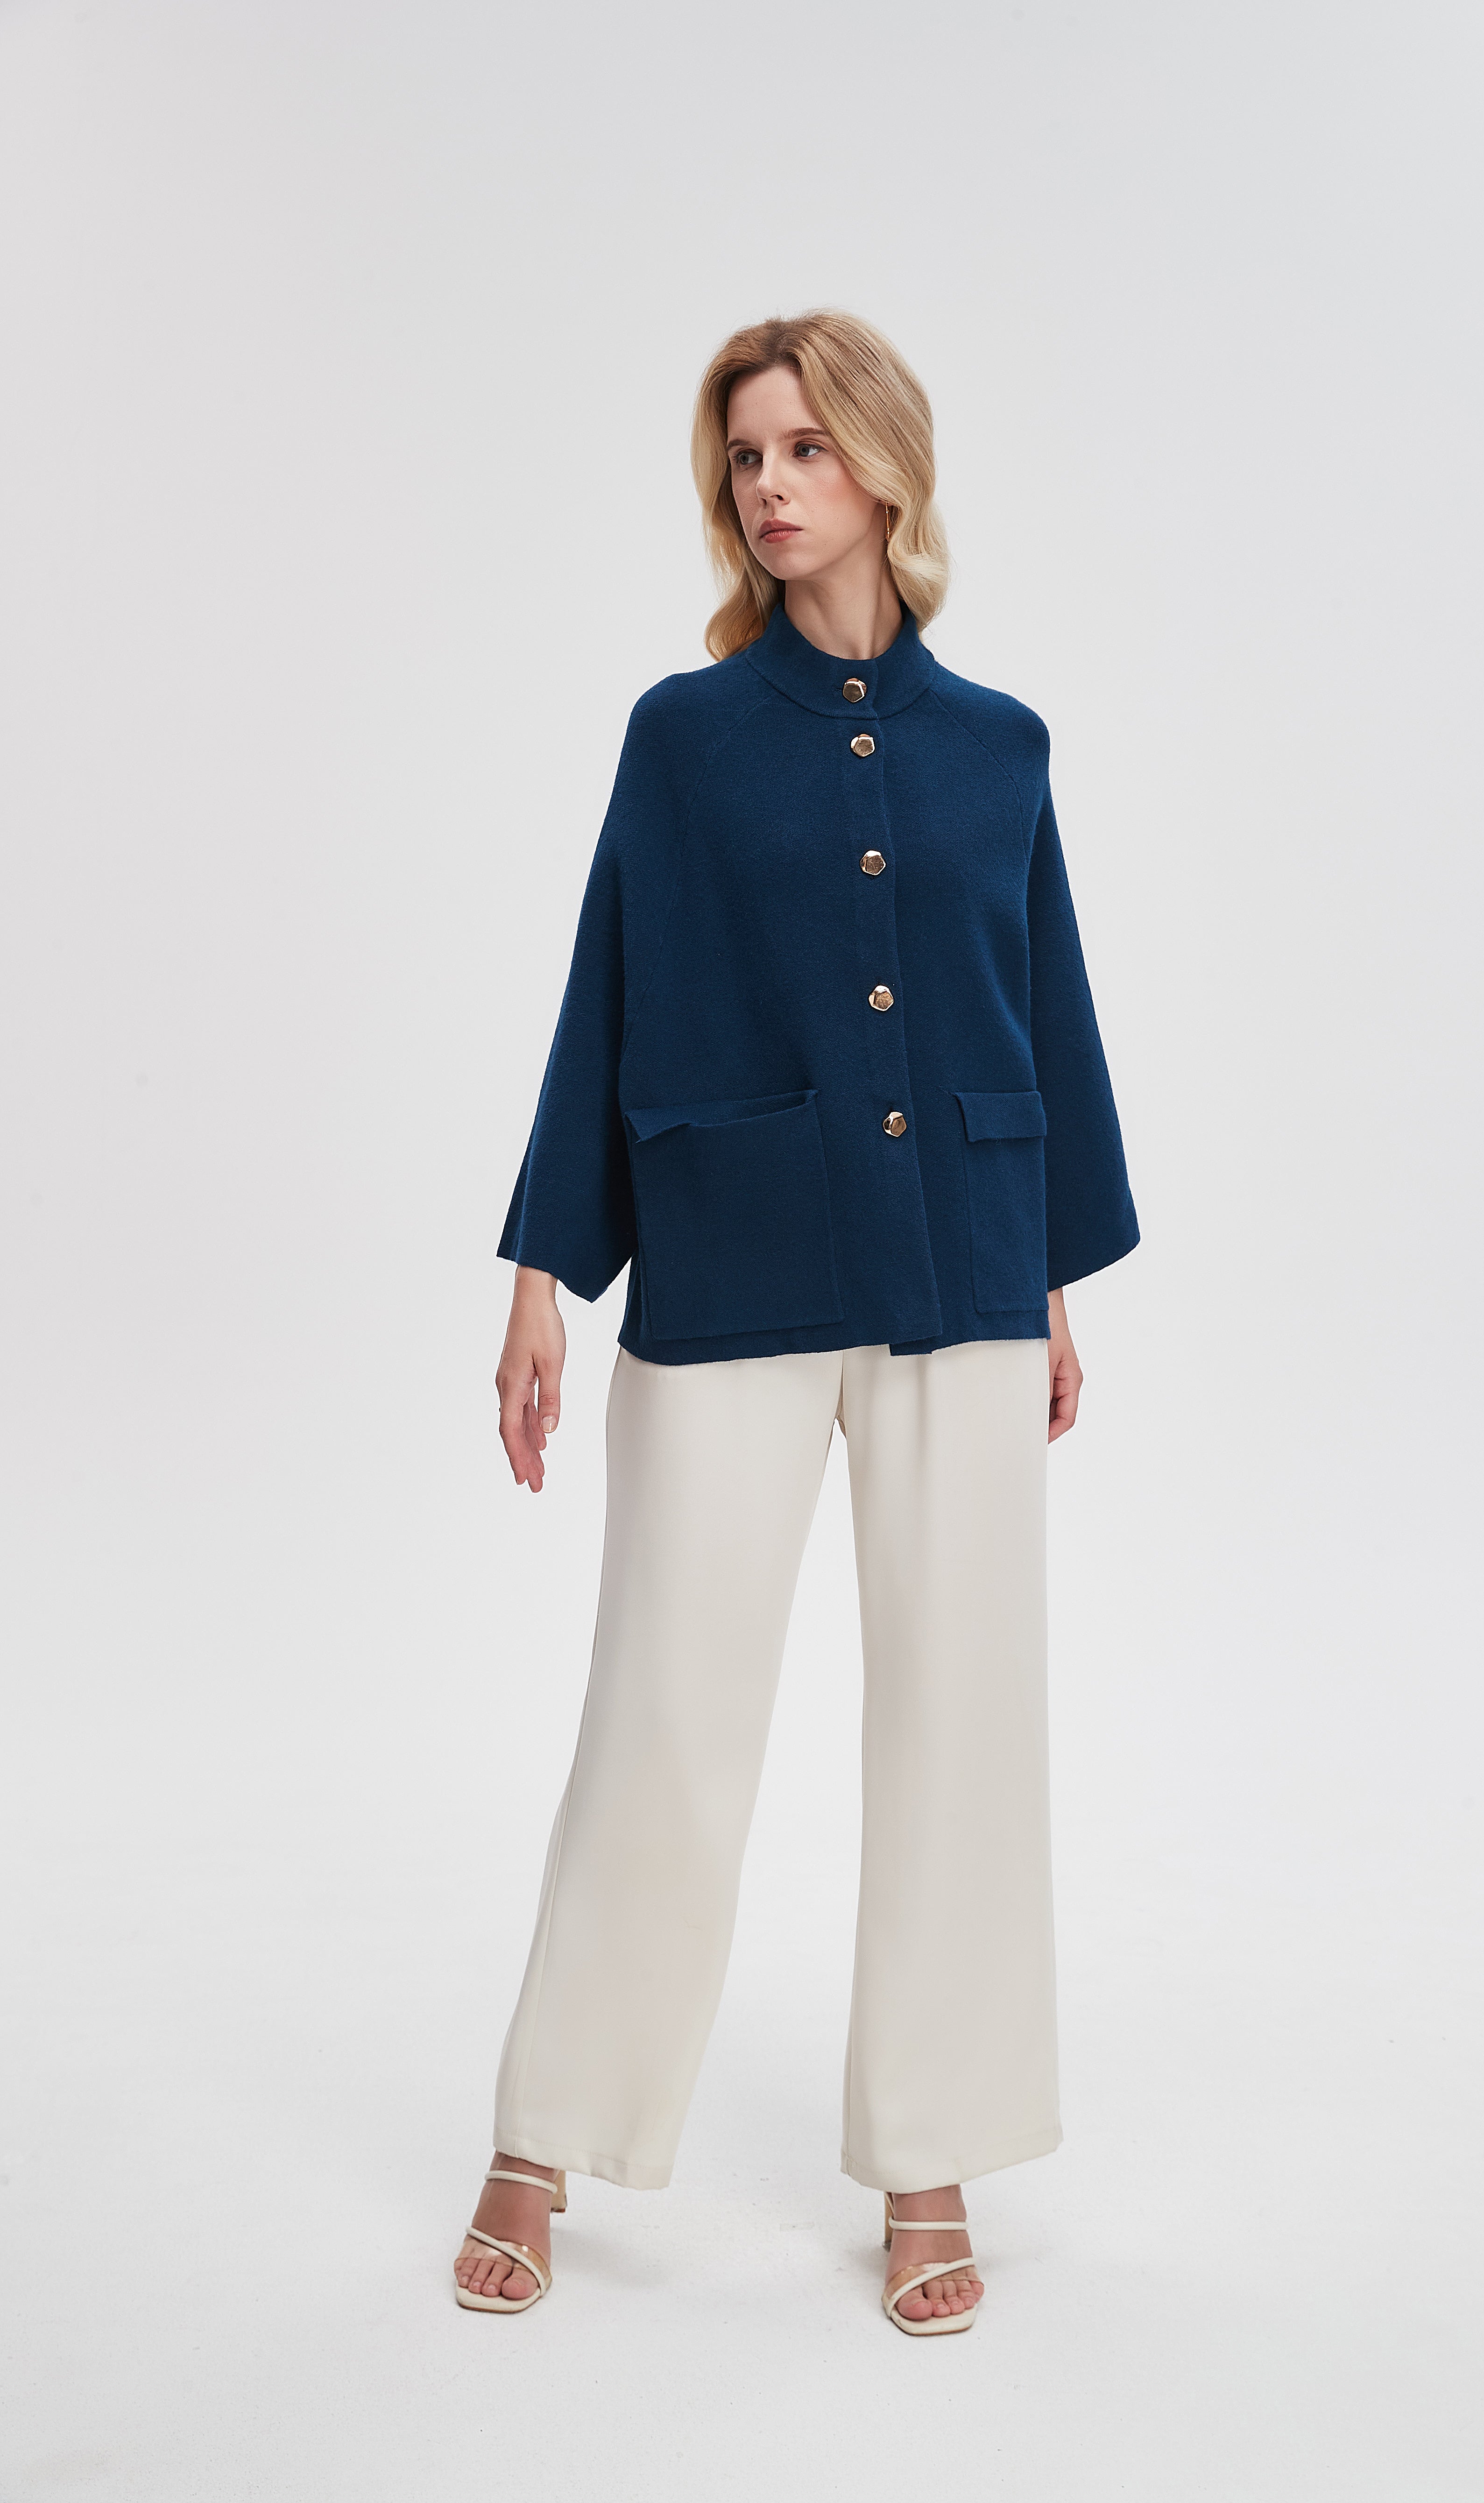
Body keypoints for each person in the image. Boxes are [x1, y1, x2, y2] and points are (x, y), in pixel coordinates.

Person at [452, 309, 1138, 2335]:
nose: (768, 485)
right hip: (735, 1259)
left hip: (963, 1273)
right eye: (745, 456)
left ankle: (932, 2153)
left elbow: (1042, 1008)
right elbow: (606, 982)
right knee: (667, 1706)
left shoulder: (1001, 746)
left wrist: (1047, 1269)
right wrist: (542, 1267)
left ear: (885, 469)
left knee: (962, 1721)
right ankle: (544, 2135)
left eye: (804, 449)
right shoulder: (685, 737)